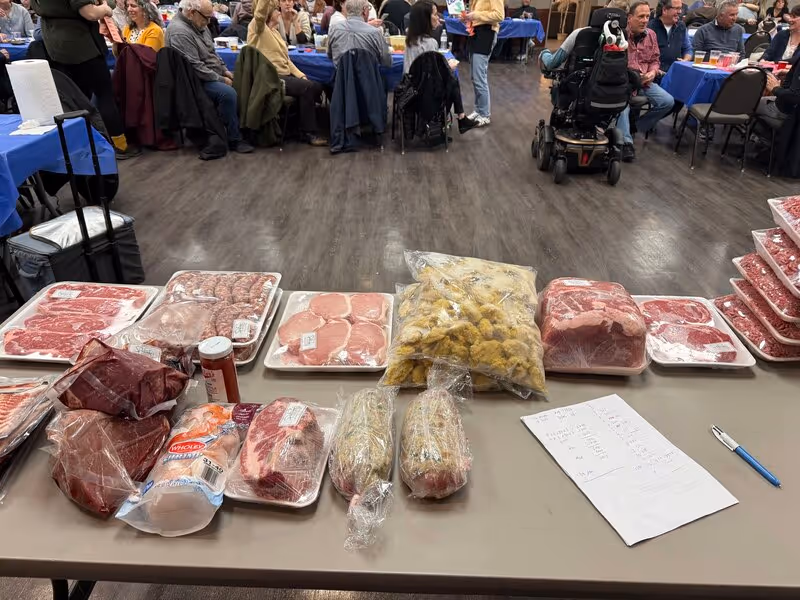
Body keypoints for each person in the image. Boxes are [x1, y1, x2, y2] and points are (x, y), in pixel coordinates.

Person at [31, 0, 139, 158]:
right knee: (104, 95)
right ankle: (119, 144)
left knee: (75, 98)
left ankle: (85, 143)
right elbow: (90, 12)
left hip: (55, 45)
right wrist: (106, 9)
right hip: (82, 45)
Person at [166, 0, 253, 153]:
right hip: (192, 81)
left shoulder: (200, 24)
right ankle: (234, 139)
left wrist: (225, 70)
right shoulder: (179, 31)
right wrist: (221, 79)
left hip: (208, 73)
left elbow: (212, 53)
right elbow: (195, 67)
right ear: (192, 13)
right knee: (228, 93)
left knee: (243, 81)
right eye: (206, 17)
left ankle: (243, 128)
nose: (208, 22)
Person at [247, 1, 327, 145]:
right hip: (271, 77)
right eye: (276, 10)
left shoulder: (275, 32)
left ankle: (295, 126)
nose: (279, 12)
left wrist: (301, 74)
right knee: (307, 88)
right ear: (269, 14)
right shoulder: (257, 28)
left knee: (317, 86)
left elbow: (287, 60)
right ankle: (308, 132)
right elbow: (259, 15)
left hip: (284, 74)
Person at [403, 0, 477, 133]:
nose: (438, 18)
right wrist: (448, 67)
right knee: (452, 79)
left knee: (451, 79)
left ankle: (461, 118)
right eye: (435, 14)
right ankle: (457, 118)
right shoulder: (430, 43)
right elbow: (433, 75)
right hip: (426, 94)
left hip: (410, 90)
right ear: (425, 19)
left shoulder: (409, 40)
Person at [616, 0, 675, 161]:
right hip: (624, 82)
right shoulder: (619, 35)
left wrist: (653, 72)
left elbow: (655, 60)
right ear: (629, 18)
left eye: (647, 16)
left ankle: (636, 127)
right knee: (623, 107)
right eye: (640, 16)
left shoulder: (651, 35)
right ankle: (626, 143)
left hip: (645, 81)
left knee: (668, 102)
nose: (644, 20)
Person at [539, 0, 630, 71]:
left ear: (603, 9)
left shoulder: (580, 33)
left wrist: (544, 52)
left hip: (578, 90)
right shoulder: (626, 40)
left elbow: (552, 63)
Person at [460, 0, 503, 127]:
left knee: (479, 77)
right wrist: (467, 17)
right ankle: (478, 110)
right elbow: (477, 14)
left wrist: (475, 15)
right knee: (475, 77)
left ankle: (484, 114)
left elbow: (499, 15)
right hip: (476, 32)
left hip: (487, 33)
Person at [327, 0, 390, 66]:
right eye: (368, 8)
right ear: (364, 11)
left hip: (341, 75)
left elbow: (330, 55)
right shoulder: (375, 33)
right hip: (368, 75)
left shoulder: (334, 29)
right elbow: (387, 62)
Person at [648, 0, 691, 74]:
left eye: (680, 8)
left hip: (677, 73)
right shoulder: (650, 28)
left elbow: (688, 49)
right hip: (657, 75)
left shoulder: (681, 26)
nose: (680, 12)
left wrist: (685, 61)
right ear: (664, 10)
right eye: (676, 8)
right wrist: (654, 71)